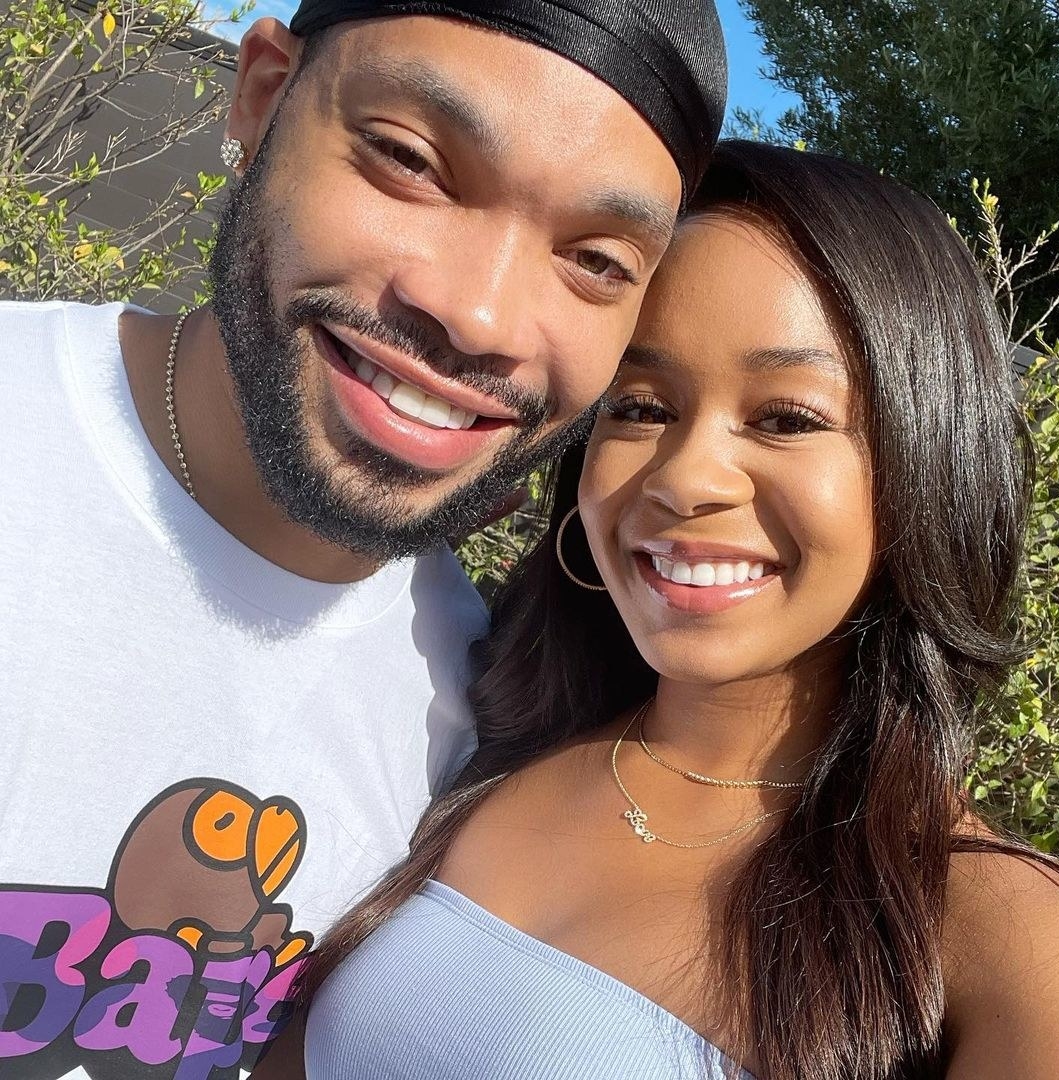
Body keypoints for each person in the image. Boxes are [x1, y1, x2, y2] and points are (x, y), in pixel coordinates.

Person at [0, 3, 727, 1077]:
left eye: (597, 259)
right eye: (410, 161)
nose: (479, 316)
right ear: (261, 96)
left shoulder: (482, 736)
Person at [279, 142, 1059, 1079]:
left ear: (927, 463)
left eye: (787, 418)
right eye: (643, 406)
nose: (687, 479)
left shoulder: (1001, 940)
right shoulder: (467, 727)